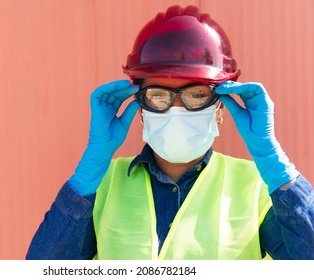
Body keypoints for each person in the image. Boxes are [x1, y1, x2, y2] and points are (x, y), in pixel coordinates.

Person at [26, 4, 314, 260]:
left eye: (196, 94)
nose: (176, 108)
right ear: (141, 107)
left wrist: (277, 165)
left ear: (221, 108)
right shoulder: (100, 186)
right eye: (159, 95)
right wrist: (85, 178)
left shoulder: (258, 189)